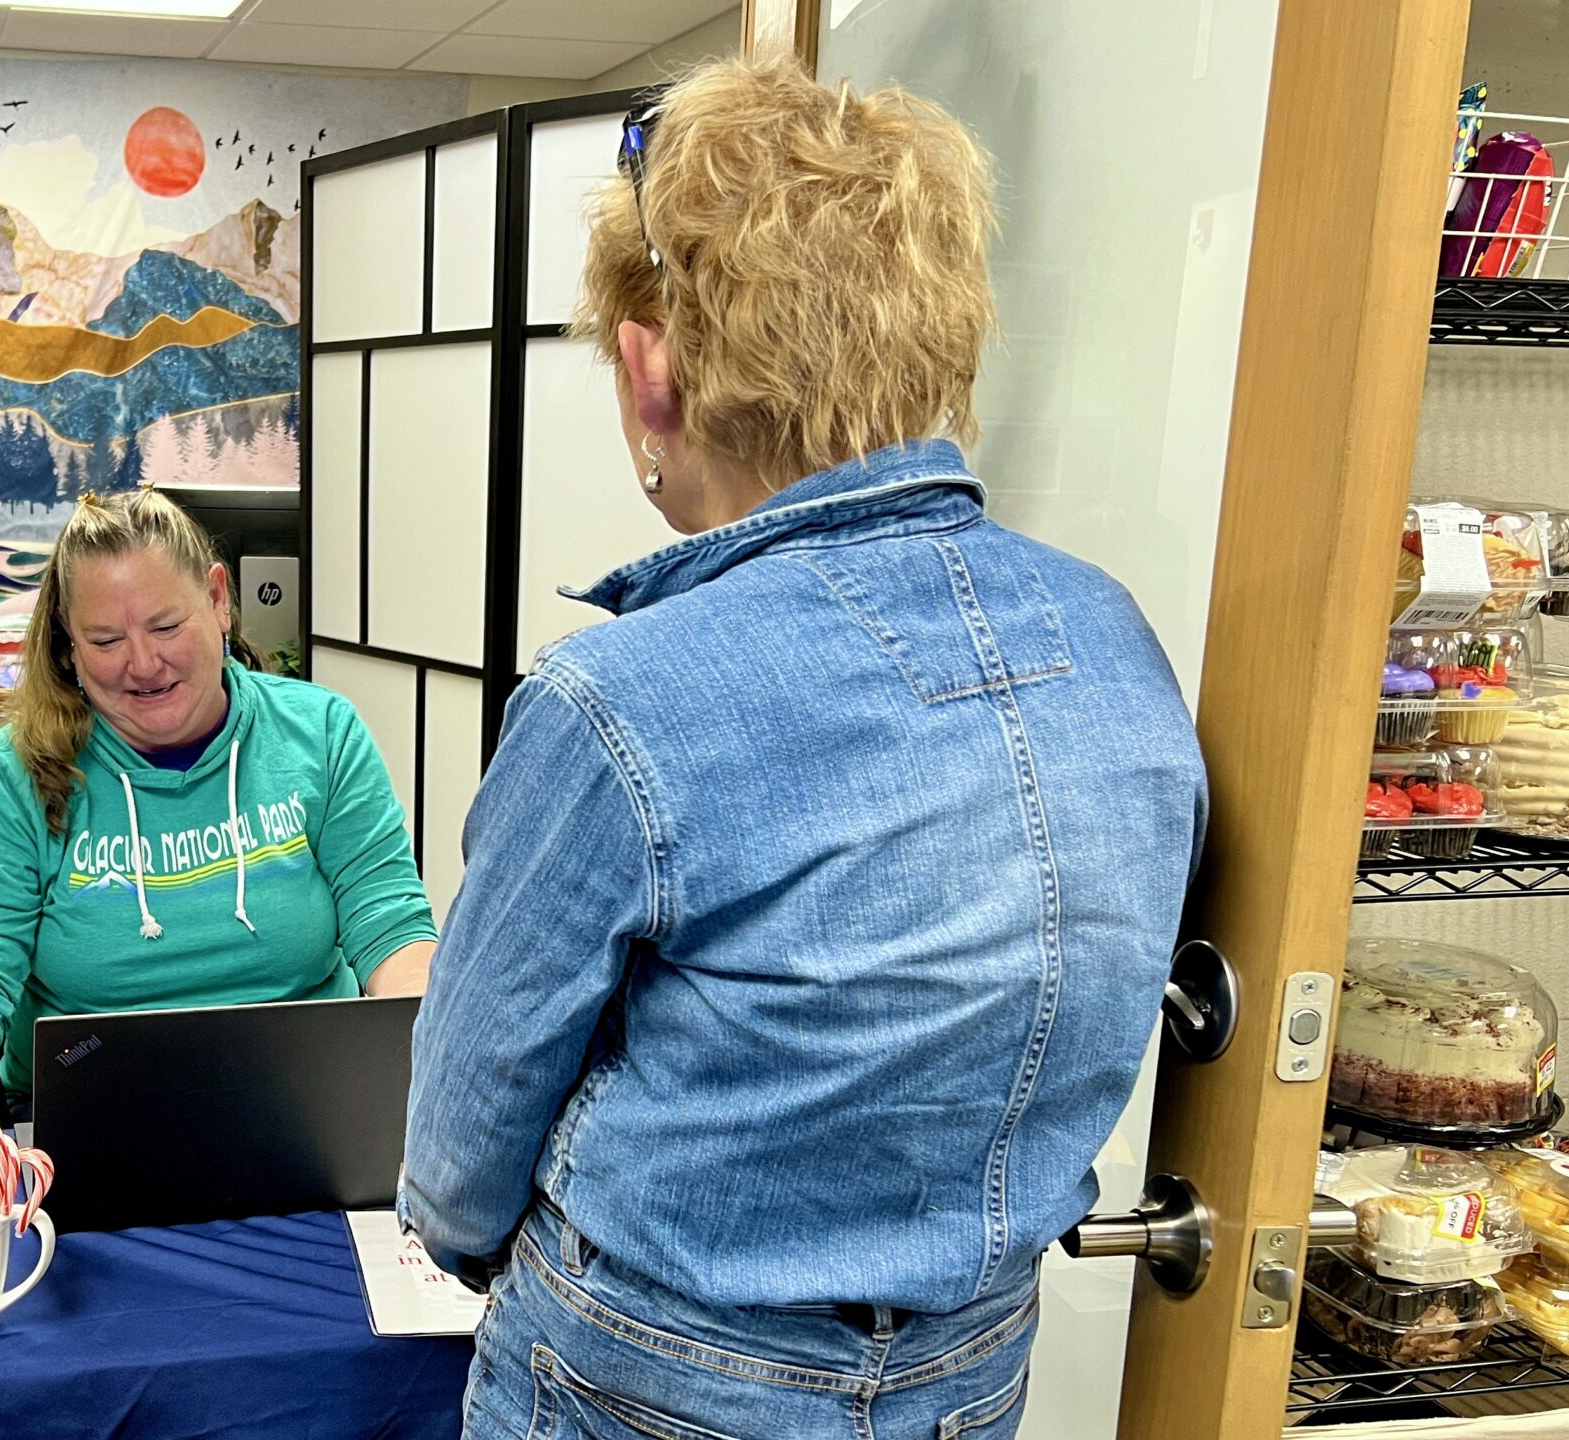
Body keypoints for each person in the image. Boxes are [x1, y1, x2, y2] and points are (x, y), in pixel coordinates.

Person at [399, 56, 1206, 1440]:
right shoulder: (1115, 643)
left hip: (649, 1374)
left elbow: (460, 1160)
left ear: (650, 366)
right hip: (970, 1372)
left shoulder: (619, 700)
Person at [0, 489, 436, 1134]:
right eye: (106, 640)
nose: (143, 664)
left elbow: (389, 923)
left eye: (166, 626)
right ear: (68, 644)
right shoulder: (11, 776)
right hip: (82, 1126)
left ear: (218, 599)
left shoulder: (321, 733)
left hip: (309, 1110)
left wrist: (433, 1054)